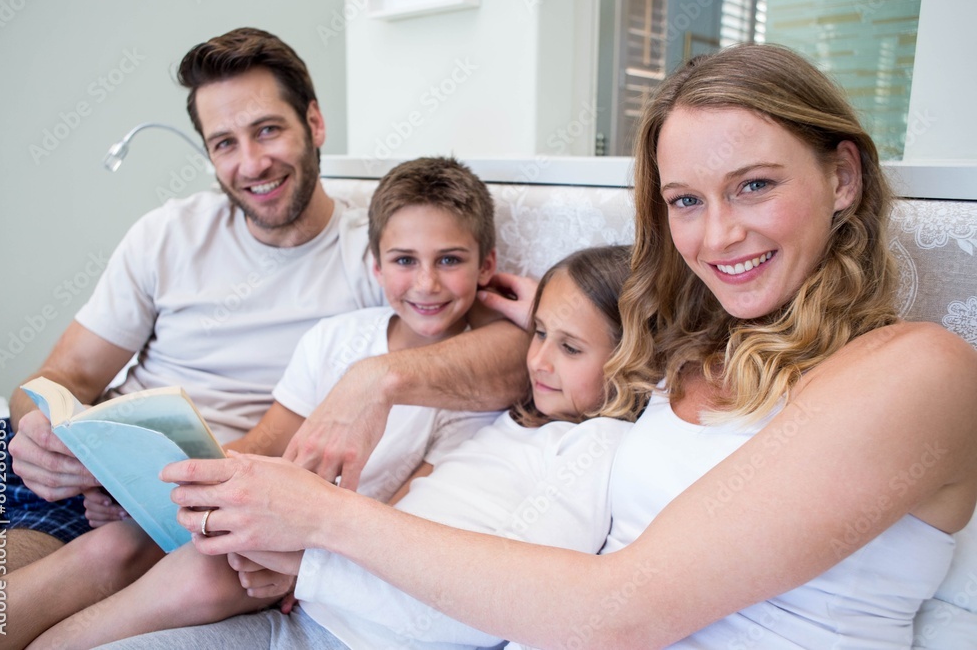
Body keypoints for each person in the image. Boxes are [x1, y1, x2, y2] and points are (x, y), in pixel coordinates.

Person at [128, 43, 977, 649]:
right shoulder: (695, 353)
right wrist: (532, 324)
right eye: (684, 200)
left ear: (842, 176)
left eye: (753, 185)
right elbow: (547, 372)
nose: (718, 234)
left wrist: (323, 524)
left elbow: (625, 612)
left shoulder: (919, 372)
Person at [0, 25, 526, 634]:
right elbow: (67, 373)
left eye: (267, 130)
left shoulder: (384, 256)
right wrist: (42, 432)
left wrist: (377, 379)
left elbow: (511, 355)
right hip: (58, 464)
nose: (252, 163)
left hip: (164, 504)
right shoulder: (167, 233)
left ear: (313, 124)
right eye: (224, 143)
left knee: (11, 574)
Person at [8, 154, 503, 650]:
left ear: (486, 265)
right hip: (259, 519)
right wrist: (146, 492)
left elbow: (402, 514)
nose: (426, 284)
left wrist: (306, 568)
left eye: (450, 260)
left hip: (326, 547)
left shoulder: (471, 394)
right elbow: (267, 445)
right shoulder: (335, 339)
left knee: (201, 576)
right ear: (375, 264)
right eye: (404, 260)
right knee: (113, 544)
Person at [98, 244, 643, 649]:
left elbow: (501, 608)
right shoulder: (512, 416)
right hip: (310, 615)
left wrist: (308, 569)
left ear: (636, 359)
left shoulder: (599, 448)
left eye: (569, 347)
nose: (538, 360)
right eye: (538, 332)